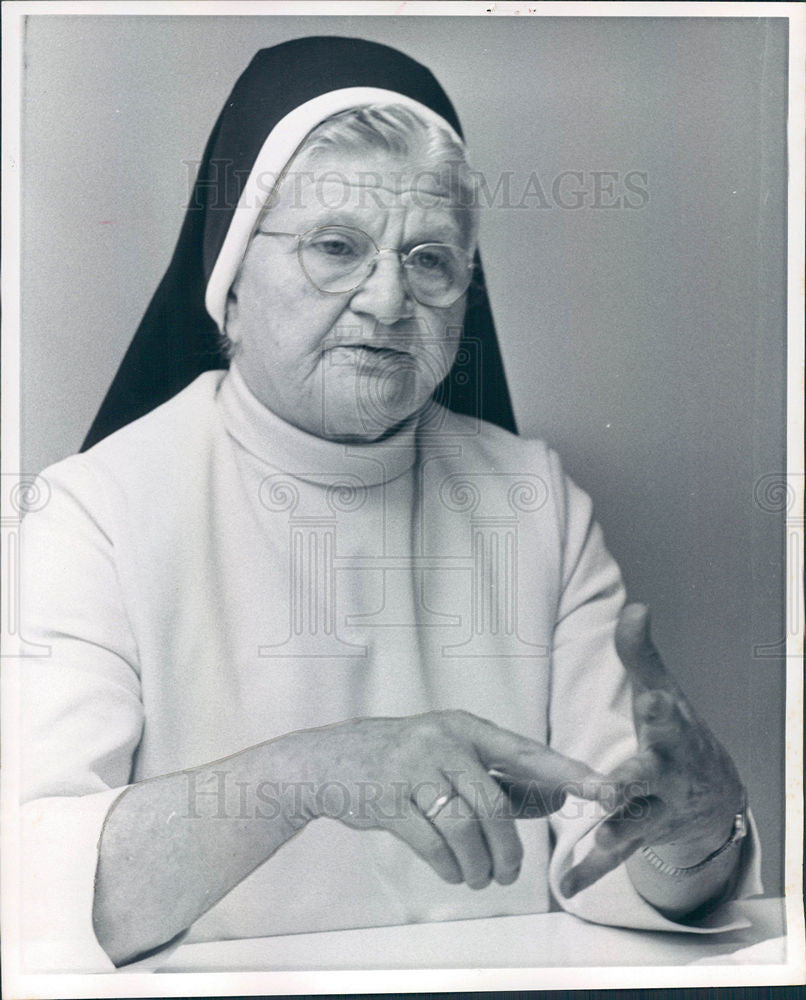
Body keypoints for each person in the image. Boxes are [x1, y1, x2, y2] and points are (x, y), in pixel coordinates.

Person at [20, 36, 761, 973]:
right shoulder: (91, 513)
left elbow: (609, 855)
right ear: (232, 284)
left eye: (430, 260)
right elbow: (30, 885)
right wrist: (310, 773)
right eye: (337, 248)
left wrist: (694, 835)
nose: (386, 300)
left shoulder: (533, 504)